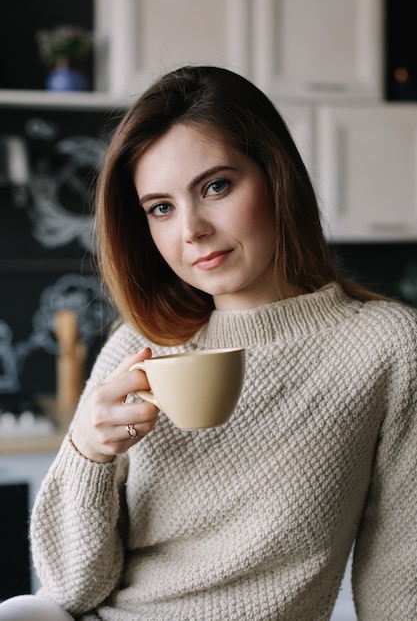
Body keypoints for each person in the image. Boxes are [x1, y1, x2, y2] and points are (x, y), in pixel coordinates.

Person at [1, 65, 416, 620]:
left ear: (276, 176)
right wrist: (87, 452)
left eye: (216, 186)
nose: (190, 229)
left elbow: (400, 578)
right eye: (161, 208)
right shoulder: (138, 346)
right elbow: (69, 590)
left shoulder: (385, 348)